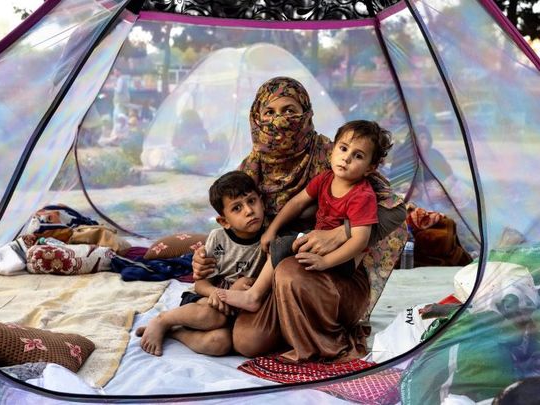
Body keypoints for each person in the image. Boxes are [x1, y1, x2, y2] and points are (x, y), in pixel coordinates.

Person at [192, 76, 406, 362]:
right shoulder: (252, 167)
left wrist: (340, 233)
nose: (280, 121)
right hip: (273, 275)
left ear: (306, 112)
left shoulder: (332, 157)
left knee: (289, 271)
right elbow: (235, 225)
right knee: (246, 341)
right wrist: (206, 259)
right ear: (257, 117)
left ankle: (313, 335)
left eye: (290, 110)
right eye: (270, 113)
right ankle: (286, 323)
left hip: (330, 276)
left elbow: (397, 210)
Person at [217, 120, 392, 313]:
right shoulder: (326, 179)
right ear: (333, 150)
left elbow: (360, 240)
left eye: (358, 156)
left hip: (344, 259)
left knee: (283, 244)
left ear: (369, 168)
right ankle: (266, 294)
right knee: (282, 236)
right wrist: (272, 230)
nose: (347, 158)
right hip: (319, 240)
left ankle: (254, 296)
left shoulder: (361, 196)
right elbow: (297, 203)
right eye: (343, 149)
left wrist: (327, 261)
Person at [136, 171, 266, 356]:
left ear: (261, 201)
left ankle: (175, 332)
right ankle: (163, 320)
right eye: (237, 208)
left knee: (219, 343)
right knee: (212, 316)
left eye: (252, 201)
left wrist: (234, 293)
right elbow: (200, 283)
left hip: (238, 309)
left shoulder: (269, 238)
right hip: (206, 302)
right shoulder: (218, 238)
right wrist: (219, 294)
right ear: (224, 221)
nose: (249, 211)